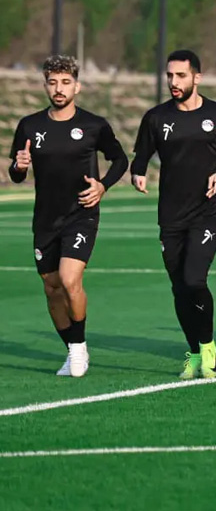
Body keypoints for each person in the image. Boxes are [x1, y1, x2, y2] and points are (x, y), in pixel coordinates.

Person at [131, 49, 216, 380]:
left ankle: (208, 344)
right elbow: (141, 155)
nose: (173, 82)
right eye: (169, 76)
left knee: (194, 279)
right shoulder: (155, 118)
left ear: (197, 77)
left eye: (180, 76)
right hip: (170, 214)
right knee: (179, 288)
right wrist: (137, 172)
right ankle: (194, 353)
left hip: (207, 212)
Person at [8, 55, 128, 377]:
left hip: (81, 214)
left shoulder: (94, 125)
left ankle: (77, 350)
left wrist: (102, 186)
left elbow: (120, 161)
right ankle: (74, 347)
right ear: (46, 85)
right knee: (51, 288)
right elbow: (16, 173)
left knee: (69, 278)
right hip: (45, 219)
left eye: (65, 83)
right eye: (52, 82)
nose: (58, 89)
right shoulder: (29, 126)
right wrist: (19, 167)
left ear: (77, 86)